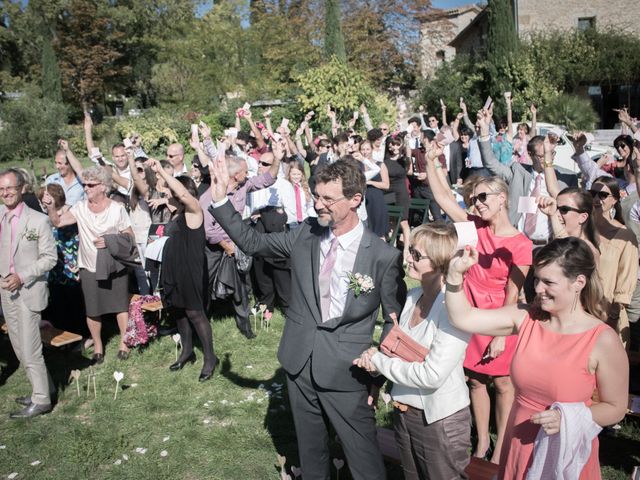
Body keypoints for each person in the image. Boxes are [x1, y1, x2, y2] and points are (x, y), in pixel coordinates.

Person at [208, 158, 406, 480]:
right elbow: (253, 242)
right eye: (316, 196)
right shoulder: (305, 234)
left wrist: (378, 372)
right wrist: (220, 200)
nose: (318, 204)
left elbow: (393, 322)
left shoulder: (383, 257)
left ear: (356, 199)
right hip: (299, 362)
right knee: (312, 455)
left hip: (348, 372)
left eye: (328, 199)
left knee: (365, 461)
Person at [445, 238, 629, 479]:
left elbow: (615, 409)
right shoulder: (527, 317)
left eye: (548, 282)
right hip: (518, 447)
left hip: (564, 455)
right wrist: (455, 277)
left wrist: (567, 418)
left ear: (579, 283)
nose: (538, 289)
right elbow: (463, 318)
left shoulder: (603, 339)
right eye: (537, 279)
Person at [424, 143, 533, 464]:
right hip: (469, 314)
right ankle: (483, 440)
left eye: (483, 197)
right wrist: (431, 162)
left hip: (498, 317)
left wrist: (501, 334)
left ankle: (501, 446)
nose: (477, 202)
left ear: (503, 199)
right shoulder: (474, 229)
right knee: (474, 380)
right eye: (474, 198)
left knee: (502, 383)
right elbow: (444, 198)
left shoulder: (521, 244)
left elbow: (514, 294)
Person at [353, 223, 471, 480]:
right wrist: (376, 361)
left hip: (439, 420)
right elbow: (398, 350)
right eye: (410, 251)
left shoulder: (454, 309)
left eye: (417, 255)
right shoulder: (412, 297)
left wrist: (380, 363)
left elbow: (432, 375)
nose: (408, 258)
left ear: (441, 264)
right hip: (404, 413)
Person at [42, 165, 134, 364]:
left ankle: (125, 342)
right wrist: (50, 208)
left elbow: (129, 236)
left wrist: (110, 240)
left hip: (114, 265)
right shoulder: (81, 208)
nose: (86, 188)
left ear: (103, 186)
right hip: (89, 266)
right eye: (84, 184)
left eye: (91, 184)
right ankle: (98, 346)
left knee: (120, 306)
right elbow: (57, 222)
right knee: (93, 309)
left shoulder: (117, 209)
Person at [143, 159, 217, 382]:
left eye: (171, 193)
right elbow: (156, 187)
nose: (168, 196)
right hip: (173, 271)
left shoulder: (194, 211)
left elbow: (183, 194)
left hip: (190, 271)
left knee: (195, 313)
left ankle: (211, 358)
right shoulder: (174, 214)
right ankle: (187, 351)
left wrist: (165, 175)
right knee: (178, 311)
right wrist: (154, 172)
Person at [0, 169, 57, 418]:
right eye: (1, 189)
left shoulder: (38, 220)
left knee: (30, 348)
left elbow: (49, 259)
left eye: (10, 188)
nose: (5, 193)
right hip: (6, 293)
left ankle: (42, 401)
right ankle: (43, 388)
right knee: (19, 348)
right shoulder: (1, 216)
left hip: (29, 290)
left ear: (22, 188)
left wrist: (22, 276)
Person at [590, 176, 638, 349]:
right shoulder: (582, 228)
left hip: (608, 312)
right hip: (579, 311)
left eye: (602, 195)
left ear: (614, 200)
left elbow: (625, 283)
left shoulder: (626, 236)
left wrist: (612, 318)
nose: (596, 199)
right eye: (592, 193)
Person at [537, 188, 600, 265]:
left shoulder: (589, 251)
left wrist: (552, 215)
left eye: (564, 209)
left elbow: (567, 247)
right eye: (556, 208)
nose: (557, 213)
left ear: (583, 217)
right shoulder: (554, 241)